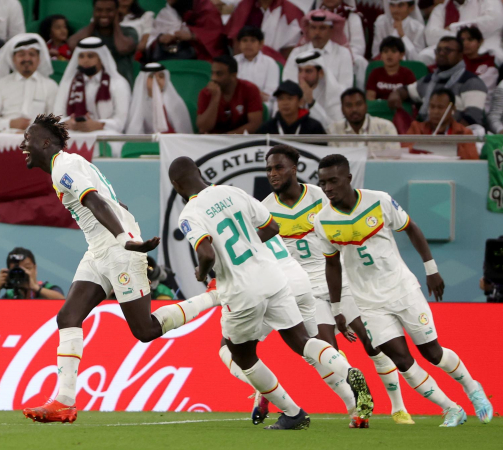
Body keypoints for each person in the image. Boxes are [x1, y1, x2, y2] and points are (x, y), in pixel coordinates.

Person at [20, 114, 219, 423]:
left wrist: (126, 239)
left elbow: (97, 202)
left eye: (29, 138)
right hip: (100, 249)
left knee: (145, 330)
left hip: (118, 249)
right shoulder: (71, 164)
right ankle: (64, 400)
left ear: (46, 143)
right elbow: (116, 204)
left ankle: (214, 296)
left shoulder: (64, 167)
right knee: (68, 316)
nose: (23, 144)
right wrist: (121, 227)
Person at [169, 155, 374, 430]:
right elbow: (273, 227)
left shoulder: (190, 214)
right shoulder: (233, 192)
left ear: (175, 184)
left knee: (234, 353)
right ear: (198, 172)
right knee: (304, 342)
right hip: (283, 277)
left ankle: (285, 407)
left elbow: (205, 253)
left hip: (244, 288)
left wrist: (202, 271)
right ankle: (349, 377)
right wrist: (250, 246)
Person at [313, 153, 493, 427]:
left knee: (432, 354)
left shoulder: (379, 200)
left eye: (333, 181)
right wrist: (338, 309)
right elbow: (332, 265)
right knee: (402, 360)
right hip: (368, 303)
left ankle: (472, 387)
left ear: (349, 179)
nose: (327, 189)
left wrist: (431, 269)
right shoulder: (322, 220)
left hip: (402, 291)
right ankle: (451, 408)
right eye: (322, 183)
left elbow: (412, 228)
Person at [255, 145, 413, 426]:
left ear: (294, 169)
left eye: (279, 167)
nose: (273, 173)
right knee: (324, 351)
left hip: (342, 280)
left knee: (372, 343)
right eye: (269, 169)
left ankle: (399, 408)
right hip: (305, 289)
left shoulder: (320, 197)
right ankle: (357, 407)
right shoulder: (265, 208)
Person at [388, 36, 488, 127]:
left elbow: (473, 118)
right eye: (438, 50)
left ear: (460, 55)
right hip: (428, 135)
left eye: (447, 50)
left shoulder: (472, 82)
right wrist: (396, 94)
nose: (441, 53)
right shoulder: (428, 80)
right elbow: (405, 91)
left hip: (457, 139)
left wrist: (445, 135)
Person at [54, 37, 131, 135]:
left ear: (101, 59)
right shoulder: (68, 83)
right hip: (73, 134)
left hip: (106, 135)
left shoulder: (118, 83)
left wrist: (100, 125)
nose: (85, 60)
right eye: (81, 56)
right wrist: (69, 123)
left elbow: (121, 121)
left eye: (90, 56)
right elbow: (57, 116)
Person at [0, 34, 57, 133]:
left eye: (32, 54)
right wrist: (10, 123)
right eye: (21, 54)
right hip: (4, 141)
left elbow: (56, 121)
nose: (27, 59)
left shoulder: (50, 86)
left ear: (39, 59)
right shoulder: (0, 85)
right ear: (13, 59)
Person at [67, 0, 138, 84]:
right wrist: (94, 21)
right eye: (99, 10)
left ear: (116, 11)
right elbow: (72, 45)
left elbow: (122, 48)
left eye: (109, 10)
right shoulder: (87, 33)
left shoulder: (129, 32)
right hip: (91, 85)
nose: (104, 14)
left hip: (120, 86)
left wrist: (116, 22)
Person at [283, 10, 355, 90]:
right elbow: (288, 83)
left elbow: (346, 87)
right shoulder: (297, 53)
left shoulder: (343, 53)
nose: (317, 32)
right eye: (313, 28)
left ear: (331, 31)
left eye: (322, 28)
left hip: (333, 101)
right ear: (308, 29)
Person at [403, 88, 479, 159]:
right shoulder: (416, 129)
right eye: (432, 107)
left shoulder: (464, 133)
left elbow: (472, 162)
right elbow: (404, 155)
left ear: (453, 109)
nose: (435, 112)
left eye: (440, 107)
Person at [196, 54, 263, 134]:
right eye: (212, 73)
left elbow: (255, 124)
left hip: (242, 140)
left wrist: (227, 137)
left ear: (233, 75)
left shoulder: (250, 89)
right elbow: (203, 128)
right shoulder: (206, 93)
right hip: (212, 141)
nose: (213, 78)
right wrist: (215, 99)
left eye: (219, 74)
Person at [328, 88, 402, 159]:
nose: (354, 109)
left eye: (359, 104)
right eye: (349, 105)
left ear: (366, 106)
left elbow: (394, 160)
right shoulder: (333, 130)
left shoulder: (386, 127)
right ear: (342, 109)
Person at [146, 0, 226, 63]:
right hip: (171, 58)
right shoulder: (166, 12)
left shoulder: (205, 8)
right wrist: (161, 39)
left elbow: (215, 37)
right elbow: (150, 42)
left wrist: (192, 36)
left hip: (201, 60)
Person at [125, 62, 193, 134]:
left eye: (161, 76)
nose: (157, 79)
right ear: (144, 80)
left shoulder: (174, 102)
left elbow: (183, 132)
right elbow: (135, 131)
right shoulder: (140, 103)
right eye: (152, 77)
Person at [225, 0, 304, 60]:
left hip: (277, 61)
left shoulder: (290, 11)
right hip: (244, 59)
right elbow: (235, 37)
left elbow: (293, 45)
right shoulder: (245, 6)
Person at [424, 0, 502, 60]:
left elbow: (494, 21)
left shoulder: (488, 1)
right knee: (425, 55)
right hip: (453, 45)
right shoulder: (442, 8)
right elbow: (431, 36)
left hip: (486, 42)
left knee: (496, 57)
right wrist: (460, 38)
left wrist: (454, 27)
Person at [289, 50, 344, 130]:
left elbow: (335, 129)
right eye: (300, 71)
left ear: (321, 73)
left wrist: (311, 102)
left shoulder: (336, 93)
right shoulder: (292, 93)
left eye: (308, 71)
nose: (302, 76)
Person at [0, 247, 64, 299]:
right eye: (16, 270)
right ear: (9, 273)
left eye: (27, 268)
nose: (24, 273)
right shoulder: (10, 295)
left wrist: (36, 288)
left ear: (35, 268)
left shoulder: (48, 288)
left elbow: (63, 303)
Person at [256, 80, 326, 135]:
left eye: (290, 98)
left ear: (300, 102)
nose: (285, 103)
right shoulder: (267, 128)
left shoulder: (314, 128)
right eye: (281, 99)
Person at [234, 26, 280, 106]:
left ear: (261, 44)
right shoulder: (233, 61)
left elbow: (271, 92)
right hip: (235, 102)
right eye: (244, 40)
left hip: (261, 102)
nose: (248, 44)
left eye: (253, 40)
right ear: (239, 44)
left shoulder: (270, 63)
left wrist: (252, 95)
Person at [458, 25, 499, 110]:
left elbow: (484, 90)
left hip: (480, 107)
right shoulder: (455, 63)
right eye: (462, 40)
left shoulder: (489, 64)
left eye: (470, 39)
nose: (465, 43)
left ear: (480, 42)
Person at [366, 37, 417, 101]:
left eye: (394, 51)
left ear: (401, 55)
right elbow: (370, 98)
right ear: (381, 55)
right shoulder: (375, 73)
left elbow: (412, 99)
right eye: (385, 51)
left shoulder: (408, 74)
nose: (389, 54)